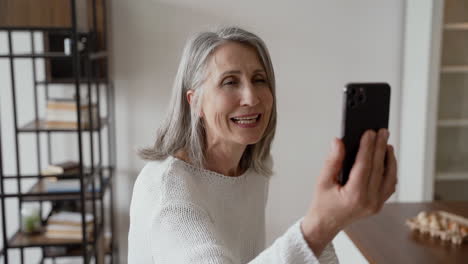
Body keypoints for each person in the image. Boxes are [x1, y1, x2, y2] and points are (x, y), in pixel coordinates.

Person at [127, 26, 397, 264]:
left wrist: (336, 218)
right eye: (230, 82)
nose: (251, 97)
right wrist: (321, 225)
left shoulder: (253, 168)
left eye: (259, 79)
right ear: (194, 101)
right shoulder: (168, 193)